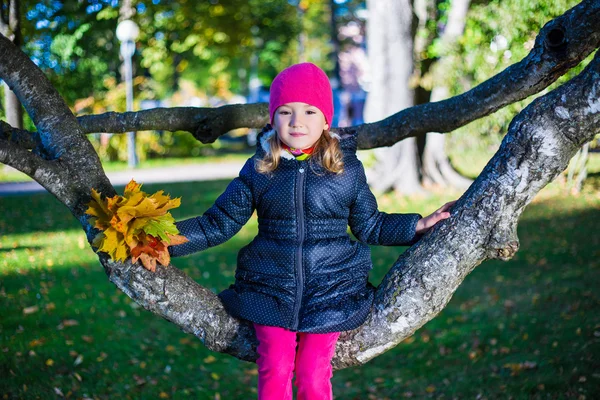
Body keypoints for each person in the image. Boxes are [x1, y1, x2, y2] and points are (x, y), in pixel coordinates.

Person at [169, 62, 456, 400]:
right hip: (271, 288)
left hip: (332, 290)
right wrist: (164, 239)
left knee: (312, 373)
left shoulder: (346, 169)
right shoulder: (260, 168)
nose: (297, 121)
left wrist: (417, 224)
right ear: (272, 119)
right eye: (285, 112)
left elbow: (370, 224)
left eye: (309, 111)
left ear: (325, 120)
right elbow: (218, 222)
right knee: (275, 367)